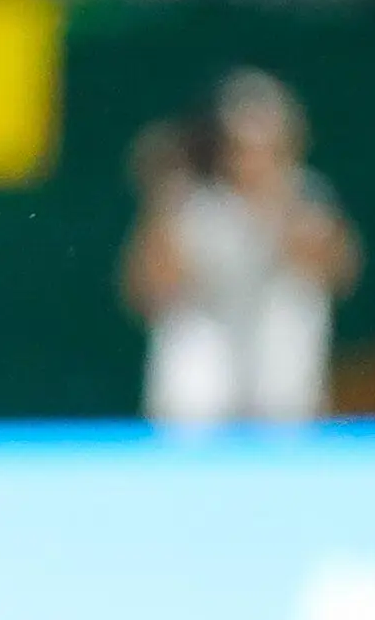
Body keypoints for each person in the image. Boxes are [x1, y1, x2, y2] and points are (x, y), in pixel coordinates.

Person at [124, 70, 360, 428]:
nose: (252, 159)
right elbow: (148, 292)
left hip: (280, 392)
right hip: (203, 397)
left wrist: (275, 204)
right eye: (241, 146)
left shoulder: (306, 196)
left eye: (266, 146)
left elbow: (336, 274)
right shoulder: (190, 203)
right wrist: (161, 197)